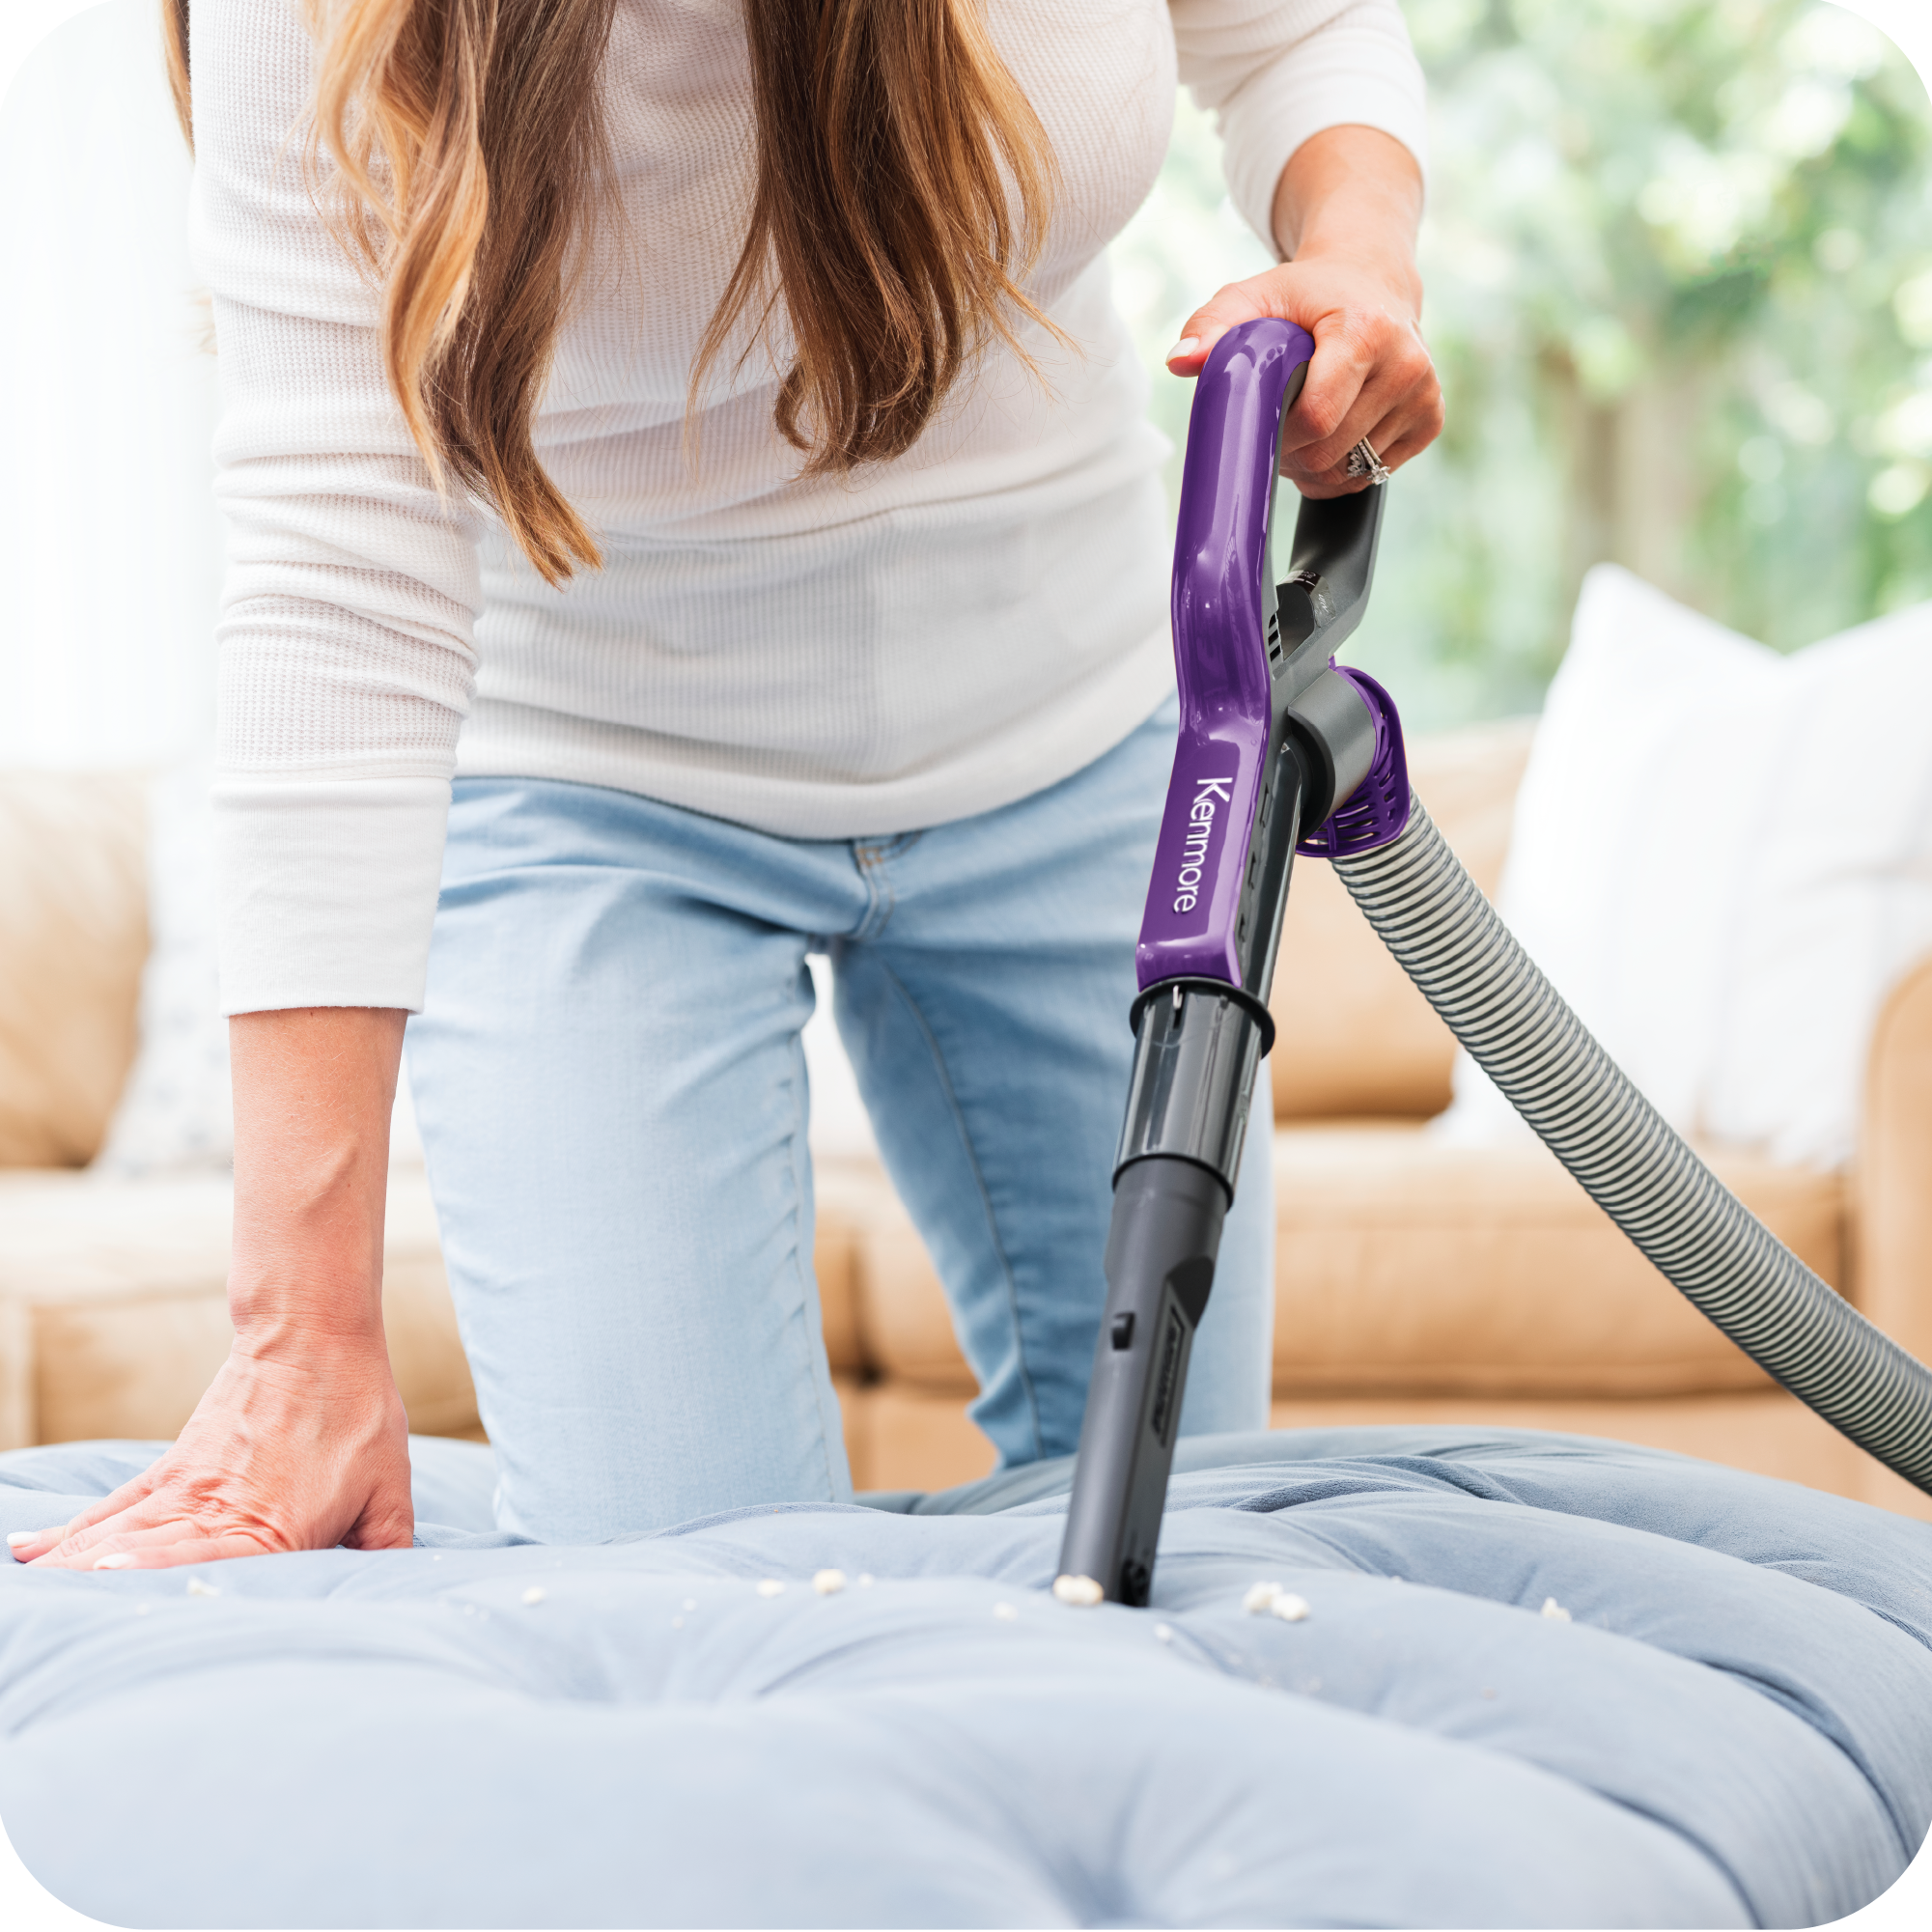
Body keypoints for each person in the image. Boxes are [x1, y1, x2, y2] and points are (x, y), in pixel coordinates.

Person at [16, 0, 1440, 1570]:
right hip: (585, 783)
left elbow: (1301, 33)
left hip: (1078, 727)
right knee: (697, 1603)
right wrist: (299, 1331)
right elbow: (334, 555)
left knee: (1174, 1544)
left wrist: (1362, 257)